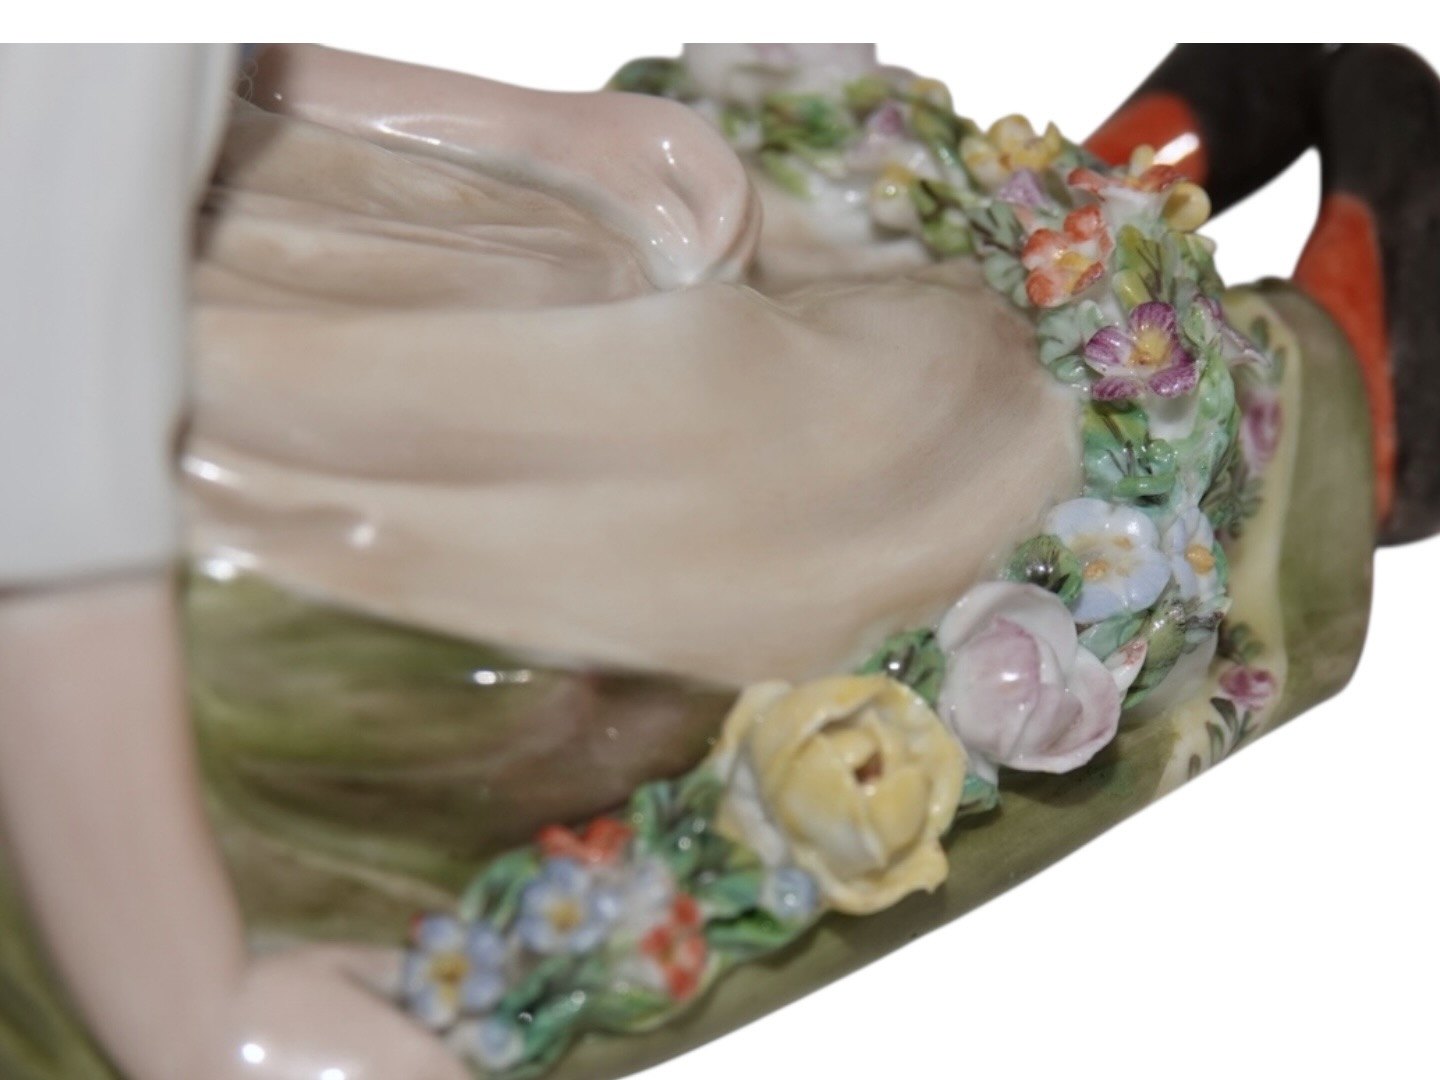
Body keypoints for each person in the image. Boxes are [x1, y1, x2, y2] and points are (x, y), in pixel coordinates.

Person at [0, 42, 1435, 1080]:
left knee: (649, 259)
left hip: (221, 250)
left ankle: (1096, 242)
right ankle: (1315, 404)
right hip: (133, 487)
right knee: (831, 445)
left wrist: (529, 130)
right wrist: (196, 1015)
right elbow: (53, 486)